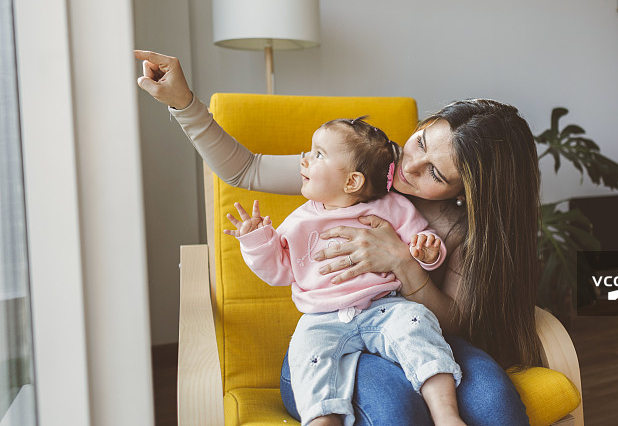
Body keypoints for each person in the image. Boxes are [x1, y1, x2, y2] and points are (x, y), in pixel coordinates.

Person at [135, 50, 539, 425]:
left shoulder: (467, 232)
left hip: (410, 330)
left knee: (496, 406)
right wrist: (183, 102)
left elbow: (457, 324)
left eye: (434, 173)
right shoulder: (364, 170)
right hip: (327, 339)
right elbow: (246, 170)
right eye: (419, 142)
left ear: (467, 193)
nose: (409, 165)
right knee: (396, 409)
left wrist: (403, 263)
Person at [223, 116, 463, 426]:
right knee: (308, 355)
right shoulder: (300, 222)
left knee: (418, 326)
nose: (305, 158)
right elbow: (279, 271)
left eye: (318, 154)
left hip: (385, 307)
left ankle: (447, 415)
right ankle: (323, 418)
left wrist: (429, 251)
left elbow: (420, 248)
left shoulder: (393, 207)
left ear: (352, 182)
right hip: (322, 318)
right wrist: (256, 240)